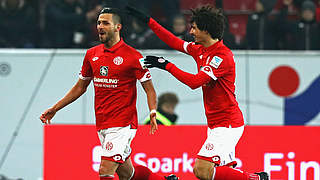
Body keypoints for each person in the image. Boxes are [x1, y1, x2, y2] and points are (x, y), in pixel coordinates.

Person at [127, 5, 269, 180]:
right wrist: (148, 21)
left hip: (228, 124)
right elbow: (173, 41)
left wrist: (166, 65)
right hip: (216, 124)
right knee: (217, 174)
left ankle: (257, 179)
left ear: (206, 30)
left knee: (201, 170)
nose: (191, 31)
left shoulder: (221, 57)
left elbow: (195, 82)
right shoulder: (200, 50)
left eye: (194, 27)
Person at [40, 7, 177, 180]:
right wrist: (55, 108)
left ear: (117, 27)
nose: (100, 26)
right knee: (127, 173)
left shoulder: (133, 56)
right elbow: (80, 87)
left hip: (122, 124)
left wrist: (152, 112)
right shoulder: (92, 54)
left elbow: (149, 88)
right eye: (98, 23)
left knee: (105, 171)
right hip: (102, 122)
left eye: (105, 23)